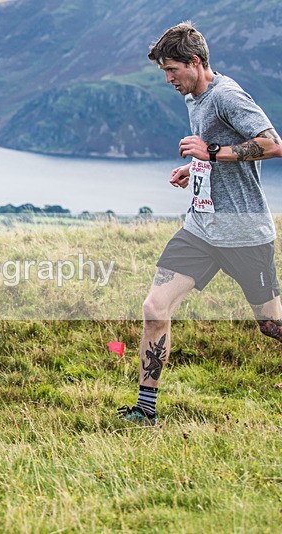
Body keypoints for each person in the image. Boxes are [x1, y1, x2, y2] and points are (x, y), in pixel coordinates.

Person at [119, 22, 282, 425]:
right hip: (200, 230)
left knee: (271, 325)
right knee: (155, 308)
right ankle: (145, 410)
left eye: (172, 70)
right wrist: (194, 169)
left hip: (244, 234)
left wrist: (211, 152)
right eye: (165, 72)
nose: (168, 79)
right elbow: (213, 156)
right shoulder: (195, 96)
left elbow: (273, 143)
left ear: (195, 62)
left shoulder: (227, 95)